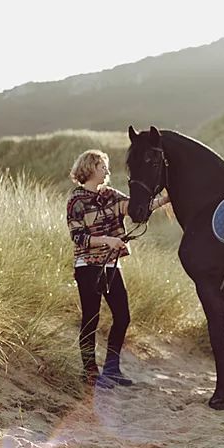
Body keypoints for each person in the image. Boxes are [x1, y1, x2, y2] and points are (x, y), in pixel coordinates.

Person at [66, 149, 168, 388]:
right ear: (90, 168)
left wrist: (164, 200)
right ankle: (90, 372)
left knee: (123, 317)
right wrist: (107, 240)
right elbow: (78, 237)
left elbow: (137, 208)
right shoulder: (76, 200)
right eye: (102, 167)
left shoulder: (111, 195)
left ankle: (112, 369)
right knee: (91, 318)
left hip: (112, 265)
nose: (107, 171)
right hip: (88, 266)